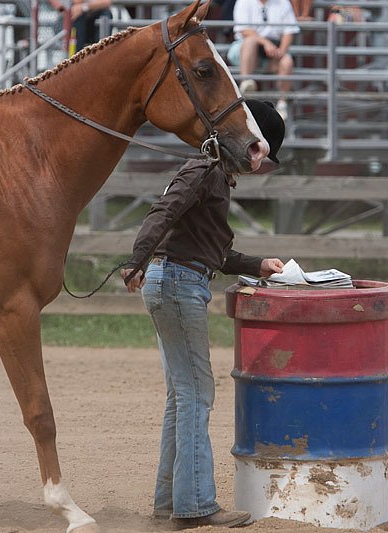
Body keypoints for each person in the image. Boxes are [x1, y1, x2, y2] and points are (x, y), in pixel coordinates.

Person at [120, 100, 286, 529]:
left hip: (172, 279)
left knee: (182, 395)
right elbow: (164, 212)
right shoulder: (206, 171)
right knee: (197, 394)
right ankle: (195, 504)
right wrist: (136, 259)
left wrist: (257, 265)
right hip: (178, 283)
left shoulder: (211, 174)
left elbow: (209, 247)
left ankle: (168, 501)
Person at [227, 0, 300, 121]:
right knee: (250, 42)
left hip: (273, 50)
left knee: (287, 61)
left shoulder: (283, 2)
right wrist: (266, 43)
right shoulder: (243, 2)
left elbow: (289, 31)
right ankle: (246, 84)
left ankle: (282, 104)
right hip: (244, 48)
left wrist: (281, 50)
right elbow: (244, 30)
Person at [48, 0, 113, 51]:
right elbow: (76, 2)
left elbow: (106, 2)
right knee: (77, 17)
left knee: (106, 14)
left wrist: (83, 7)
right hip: (68, 25)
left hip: (91, 26)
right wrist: (67, 12)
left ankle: (101, 55)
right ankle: (76, 59)